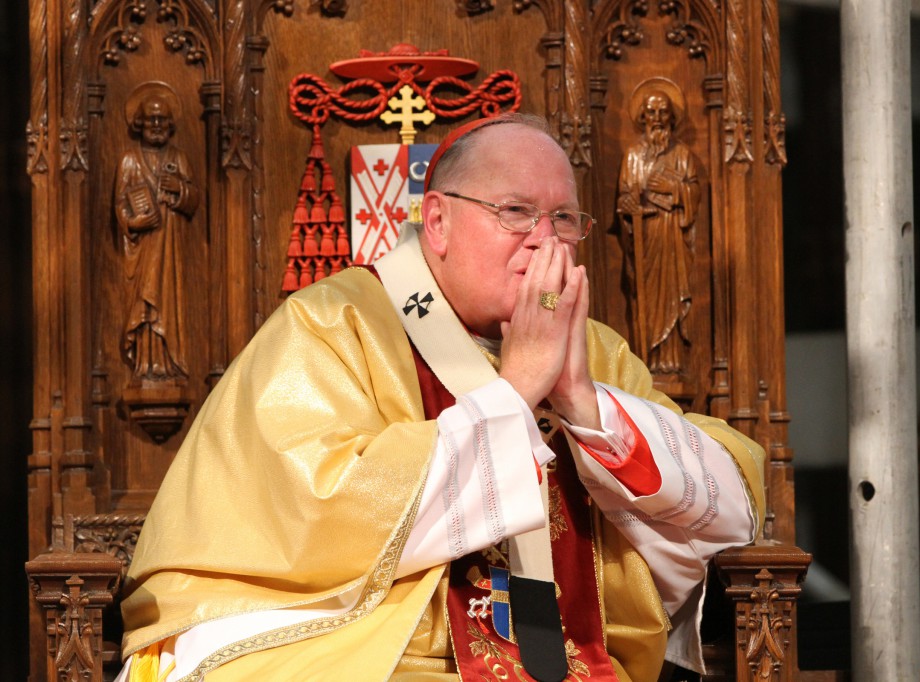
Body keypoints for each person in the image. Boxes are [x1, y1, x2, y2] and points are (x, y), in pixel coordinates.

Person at [116, 114, 764, 682]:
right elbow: (323, 511)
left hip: (569, 660)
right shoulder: (336, 323)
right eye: (516, 212)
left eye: (565, 218)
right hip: (374, 653)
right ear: (438, 222)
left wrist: (585, 406)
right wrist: (514, 394)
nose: (546, 240)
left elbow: (730, 510)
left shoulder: (590, 349)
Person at [617, 78, 701, 374]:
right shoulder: (633, 156)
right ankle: (647, 363)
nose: (657, 119)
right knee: (648, 300)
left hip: (672, 237)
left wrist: (676, 187)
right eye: (651, 113)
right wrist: (628, 206)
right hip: (646, 237)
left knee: (673, 294)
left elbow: (694, 192)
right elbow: (626, 194)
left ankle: (673, 361)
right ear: (642, 118)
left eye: (662, 112)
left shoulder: (682, 155)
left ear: (671, 117)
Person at [116, 82, 198, 381]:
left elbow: (193, 199)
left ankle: (168, 362)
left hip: (171, 253)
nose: (156, 125)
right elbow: (120, 207)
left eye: (162, 120)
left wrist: (180, 191)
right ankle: (145, 364)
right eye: (150, 119)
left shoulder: (178, 158)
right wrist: (134, 224)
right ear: (138, 123)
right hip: (141, 254)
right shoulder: (129, 161)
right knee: (144, 307)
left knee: (168, 305)